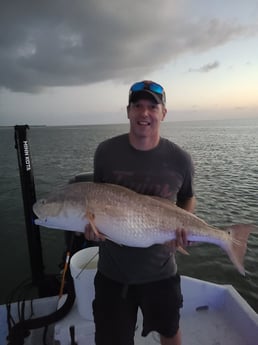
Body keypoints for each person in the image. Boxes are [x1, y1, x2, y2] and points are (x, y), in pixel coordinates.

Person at [85, 80, 196, 345]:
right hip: (113, 272)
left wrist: (183, 226)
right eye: (137, 106)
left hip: (161, 271)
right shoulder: (105, 152)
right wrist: (92, 228)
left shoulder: (181, 159)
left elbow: (188, 197)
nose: (144, 113)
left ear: (163, 113)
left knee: (169, 332)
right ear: (128, 111)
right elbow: (96, 200)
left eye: (152, 107)